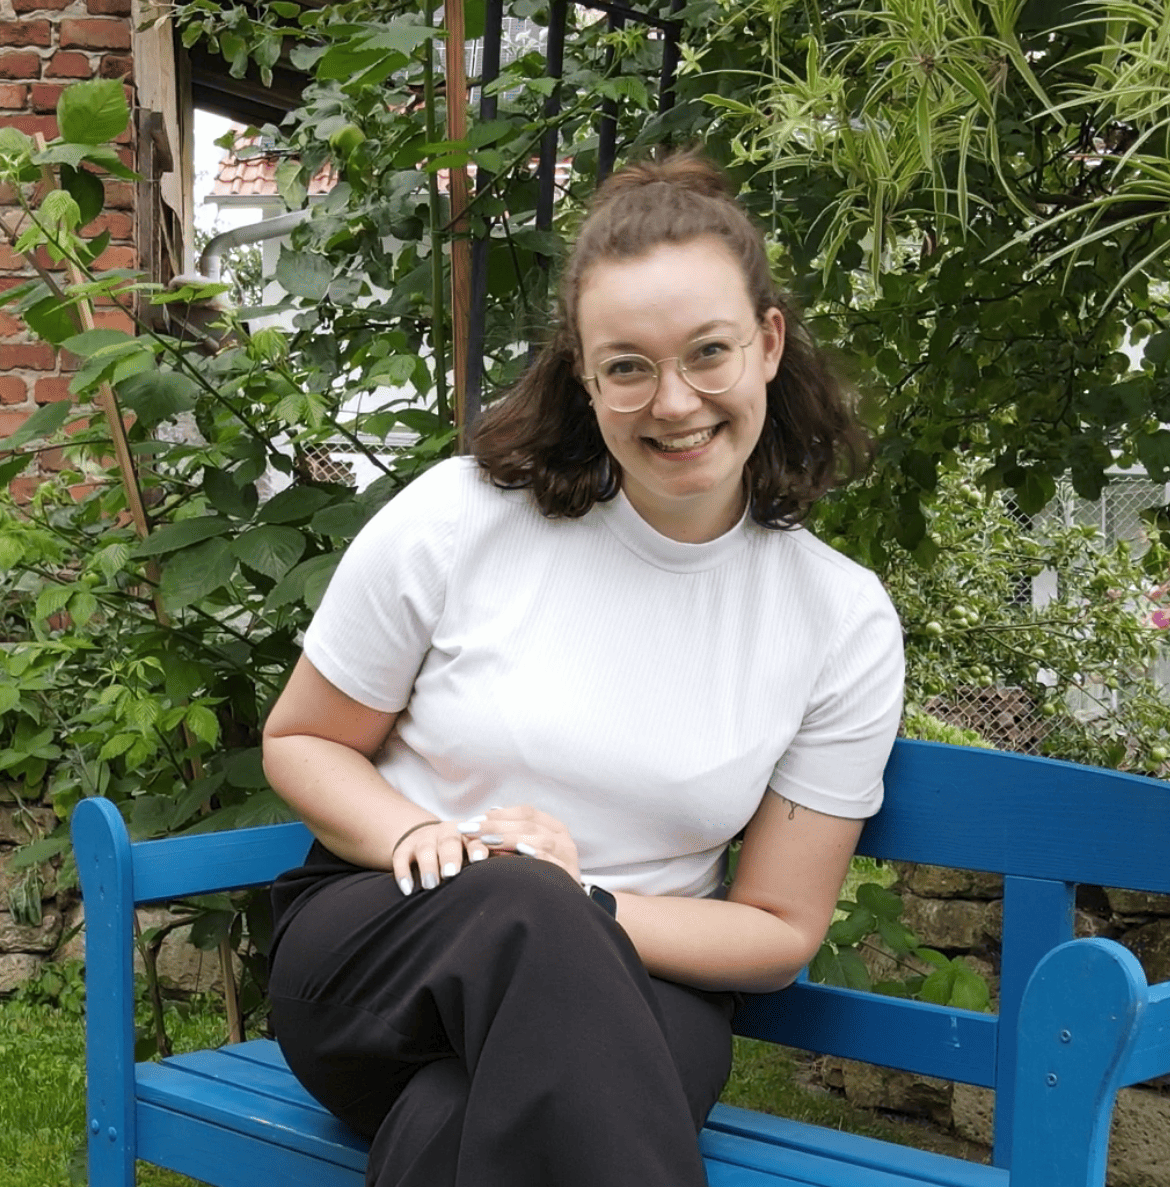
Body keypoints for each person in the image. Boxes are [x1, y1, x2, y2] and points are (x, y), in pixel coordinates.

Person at [261, 151, 904, 1187]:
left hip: (647, 979)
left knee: (461, 1115)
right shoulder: (462, 514)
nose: (675, 401)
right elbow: (301, 740)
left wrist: (588, 897)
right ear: (584, 371)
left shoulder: (838, 619)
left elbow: (778, 929)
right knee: (522, 903)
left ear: (769, 343)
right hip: (385, 942)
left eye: (708, 352)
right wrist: (429, 837)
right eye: (629, 366)